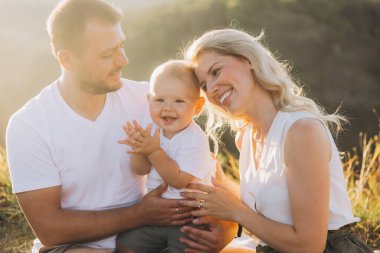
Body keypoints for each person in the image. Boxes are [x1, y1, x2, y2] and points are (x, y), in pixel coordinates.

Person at [5, 1, 236, 252]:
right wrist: (140, 215)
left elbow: (208, 177)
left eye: (121, 47)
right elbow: (50, 230)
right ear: (67, 60)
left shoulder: (153, 100)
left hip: (155, 238)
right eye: (107, 54)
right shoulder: (29, 126)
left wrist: (225, 229)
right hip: (80, 247)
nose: (123, 60)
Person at [179, 28, 373, 253]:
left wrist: (235, 211)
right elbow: (273, 202)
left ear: (247, 60)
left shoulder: (301, 130)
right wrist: (219, 189)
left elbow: (309, 247)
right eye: (204, 85)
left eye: (216, 71)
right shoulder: (247, 136)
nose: (211, 88)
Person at [116, 60, 216, 252]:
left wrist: (153, 151)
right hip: (157, 216)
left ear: (197, 106)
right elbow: (141, 169)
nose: (167, 108)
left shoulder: (194, 139)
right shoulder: (155, 131)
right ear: (149, 100)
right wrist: (139, 150)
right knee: (124, 244)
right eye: (159, 100)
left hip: (190, 218)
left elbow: (179, 180)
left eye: (179, 101)